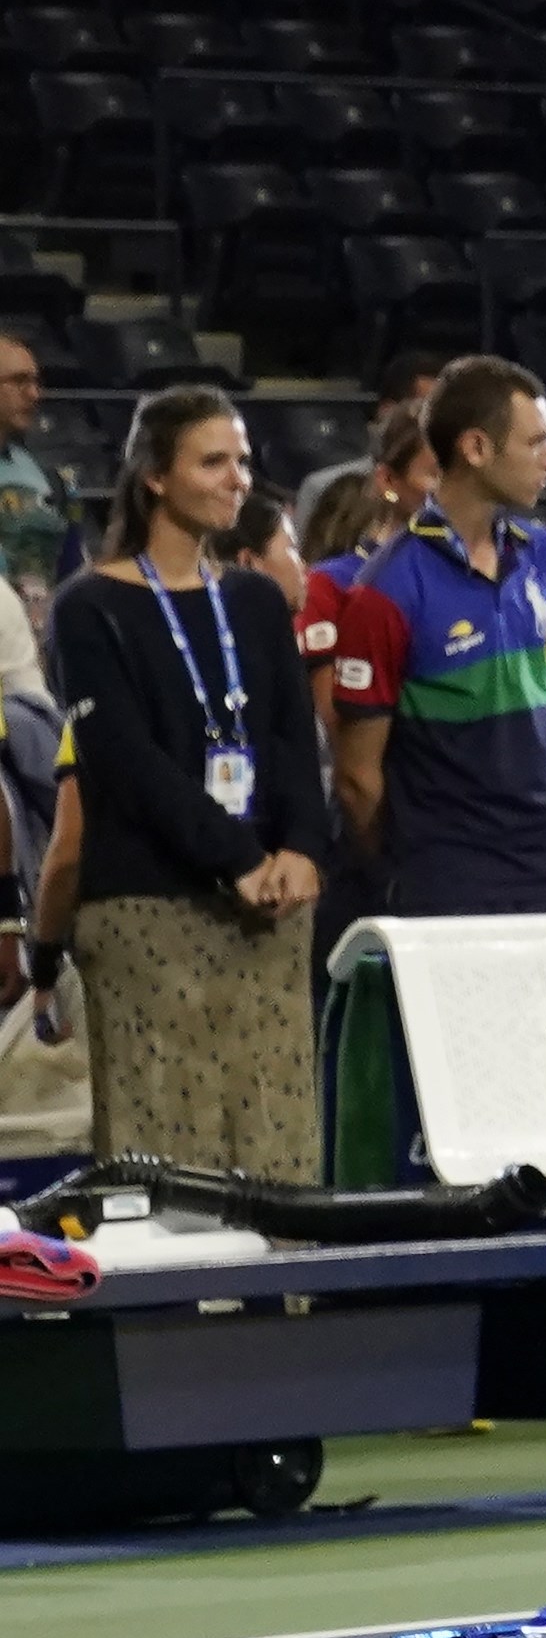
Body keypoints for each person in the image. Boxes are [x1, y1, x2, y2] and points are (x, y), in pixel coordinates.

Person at [11, 389, 326, 1176]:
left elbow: (291, 738)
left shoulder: (253, 598)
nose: (237, 479)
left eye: (243, 461)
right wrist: (237, 858)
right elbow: (123, 759)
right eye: (213, 461)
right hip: (149, 910)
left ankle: (285, 1294)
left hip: (269, 908)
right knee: (170, 1156)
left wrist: (303, 849)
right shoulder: (88, 607)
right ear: (154, 475)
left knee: (276, 1142)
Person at [319, 354, 546, 915]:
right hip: (452, 870)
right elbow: (357, 778)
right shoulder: (384, 591)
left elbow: (543, 707)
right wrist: (410, 865)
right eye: (536, 442)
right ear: (476, 449)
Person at [0, 332, 65, 603]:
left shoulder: (47, 476)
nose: (34, 394)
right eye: (18, 381)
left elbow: (71, 567)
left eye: (36, 382)